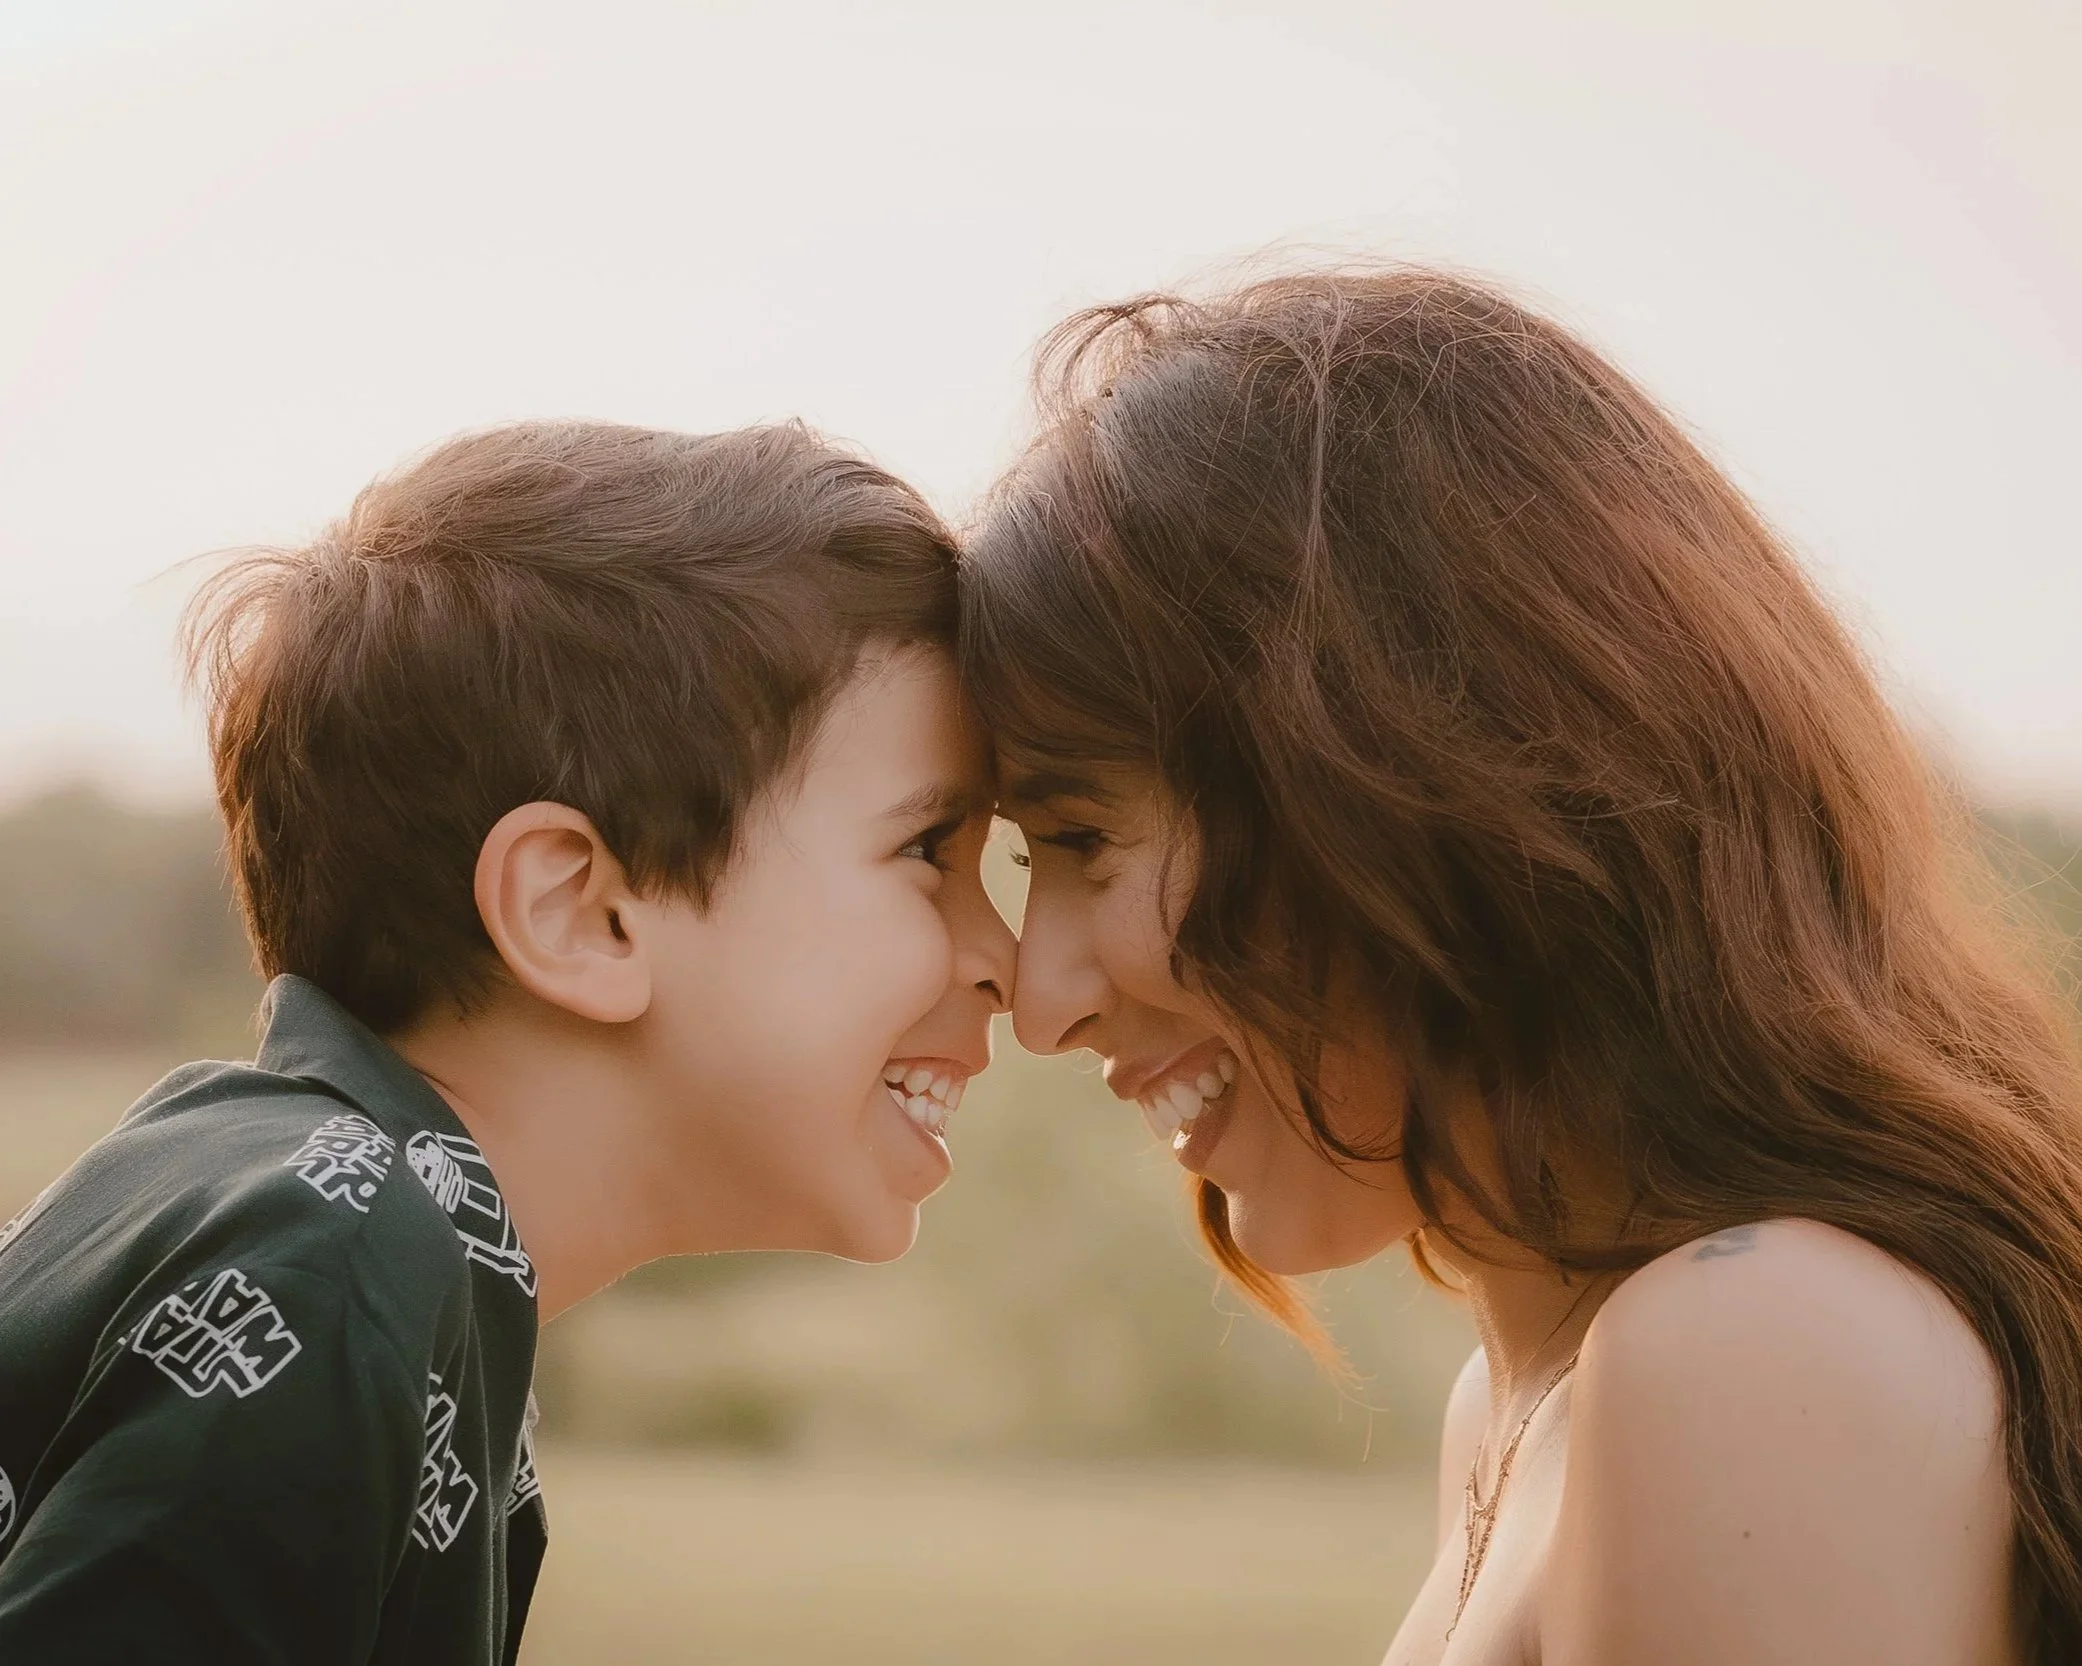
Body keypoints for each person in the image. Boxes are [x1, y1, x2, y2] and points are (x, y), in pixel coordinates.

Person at [962, 268, 2082, 1664]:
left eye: (1083, 835)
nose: (1041, 996)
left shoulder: (1747, 1339)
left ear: (1398, 775)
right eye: (1025, 860)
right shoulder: (1522, 1401)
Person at [0, 421, 1015, 1663]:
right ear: (579, 913)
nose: (1006, 962)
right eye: (927, 852)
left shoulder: (352, 1234)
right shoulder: (336, 1261)